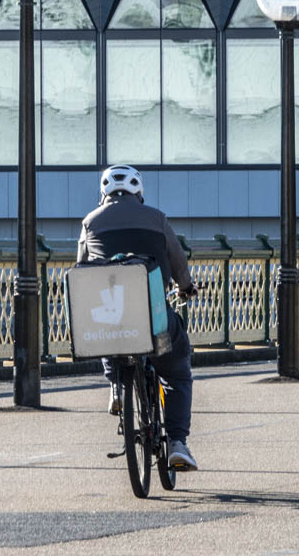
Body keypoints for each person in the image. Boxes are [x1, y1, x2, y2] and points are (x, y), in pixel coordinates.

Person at [76, 164, 199, 471]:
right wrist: (186, 287)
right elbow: (177, 259)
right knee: (176, 372)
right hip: (153, 317)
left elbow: (81, 272)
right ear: (138, 191)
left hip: (113, 319)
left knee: (105, 332)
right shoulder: (157, 219)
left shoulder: (90, 222)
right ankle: (177, 443)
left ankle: (117, 386)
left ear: (104, 191)